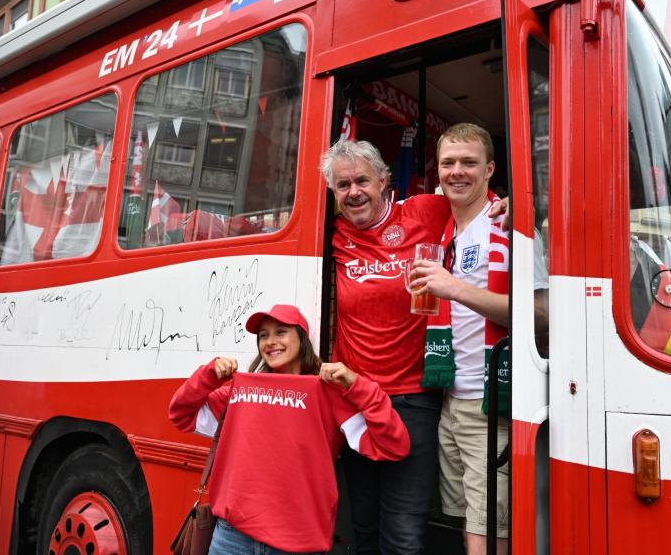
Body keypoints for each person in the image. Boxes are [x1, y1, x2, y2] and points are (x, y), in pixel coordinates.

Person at [168, 304, 409, 555]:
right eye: (263, 335)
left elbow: (393, 445)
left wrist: (355, 384)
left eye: (280, 332)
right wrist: (208, 375)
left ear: (301, 338)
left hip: (298, 542)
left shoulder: (327, 391)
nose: (270, 342)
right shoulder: (241, 389)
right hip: (232, 536)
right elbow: (181, 414)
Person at [408, 124, 548, 555]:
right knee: (469, 523)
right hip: (450, 399)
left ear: (489, 169)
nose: (457, 172)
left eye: (469, 162)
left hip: (490, 407)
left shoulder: (511, 227)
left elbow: (542, 315)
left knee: (489, 531)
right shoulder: (447, 230)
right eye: (448, 163)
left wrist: (453, 289)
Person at [321, 139, 457, 554]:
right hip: (355, 402)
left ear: (383, 180)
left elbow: (479, 205)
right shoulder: (333, 233)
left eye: (362, 180)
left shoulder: (424, 212)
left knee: (403, 532)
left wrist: (501, 209)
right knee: (363, 525)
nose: (354, 192)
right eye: (343, 186)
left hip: (413, 400)